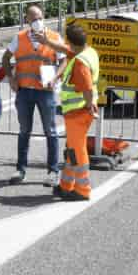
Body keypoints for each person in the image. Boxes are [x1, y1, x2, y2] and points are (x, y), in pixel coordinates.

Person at [1, 4, 64, 186]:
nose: (37, 21)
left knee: (51, 131)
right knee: (24, 131)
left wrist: (56, 77)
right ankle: (20, 170)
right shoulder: (19, 38)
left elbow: (63, 59)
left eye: (39, 17)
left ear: (43, 16)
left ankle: (53, 171)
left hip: (46, 92)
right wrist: (11, 79)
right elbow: (5, 58)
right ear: (26, 20)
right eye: (33, 18)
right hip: (25, 91)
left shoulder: (53, 37)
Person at [54, 24, 100, 201]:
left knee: (77, 151)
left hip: (78, 112)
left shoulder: (80, 62)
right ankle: (66, 185)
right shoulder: (89, 52)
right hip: (80, 111)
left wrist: (89, 105)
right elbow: (64, 49)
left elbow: (87, 88)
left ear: (71, 42)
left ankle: (82, 190)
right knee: (71, 149)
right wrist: (46, 41)